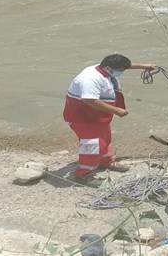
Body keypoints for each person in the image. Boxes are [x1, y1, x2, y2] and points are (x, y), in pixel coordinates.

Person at [63, 54, 156, 186]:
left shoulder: (105, 68)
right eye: (121, 70)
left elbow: (124, 66)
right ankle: (83, 175)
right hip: (82, 116)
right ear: (109, 69)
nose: (122, 72)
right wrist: (116, 110)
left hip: (96, 115)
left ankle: (104, 162)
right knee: (94, 145)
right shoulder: (90, 78)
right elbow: (89, 100)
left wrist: (143, 66)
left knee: (106, 138)